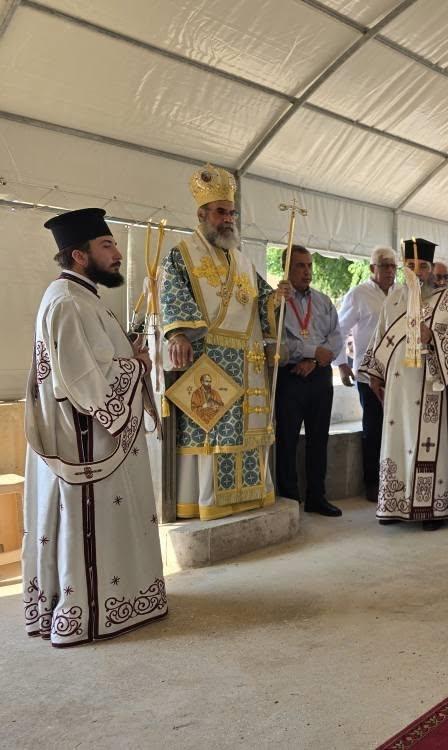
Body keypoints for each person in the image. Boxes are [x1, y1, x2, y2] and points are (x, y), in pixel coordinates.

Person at [23, 208, 166, 646]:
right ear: (79, 255)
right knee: (91, 527)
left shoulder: (82, 296)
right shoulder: (67, 301)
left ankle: (119, 603)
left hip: (93, 439)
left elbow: (94, 358)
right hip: (86, 443)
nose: (117, 253)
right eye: (107, 246)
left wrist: (127, 351)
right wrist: (134, 365)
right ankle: (87, 613)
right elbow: (81, 379)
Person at [160, 164, 289, 521]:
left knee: (246, 431)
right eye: (220, 212)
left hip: (247, 362)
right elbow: (171, 295)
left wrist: (277, 297)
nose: (227, 219)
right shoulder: (182, 253)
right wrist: (179, 334)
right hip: (209, 358)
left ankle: (248, 497)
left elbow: (263, 302)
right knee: (210, 429)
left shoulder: (244, 262)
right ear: (202, 214)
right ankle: (205, 502)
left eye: (231, 212)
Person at [359, 238, 448, 531]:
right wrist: (374, 373)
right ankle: (395, 504)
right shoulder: (394, 299)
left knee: (428, 446)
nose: (417, 272)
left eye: (423, 266)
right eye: (410, 265)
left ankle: (432, 509)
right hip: (399, 390)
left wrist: (431, 338)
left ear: (432, 269)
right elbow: (379, 338)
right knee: (399, 440)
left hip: (433, 386)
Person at [274, 245, 343, 517]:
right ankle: (290, 499)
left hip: (319, 376)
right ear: (286, 269)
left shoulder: (324, 301)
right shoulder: (276, 302)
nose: (307, 272)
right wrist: (311, 352)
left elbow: (335, 338)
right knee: (287, 439)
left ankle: (317, 496)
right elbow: (279, 341)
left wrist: (314, 360)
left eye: (309, 266)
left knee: (318, 439)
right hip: (291, 377)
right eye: (300, 266)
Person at [336, 247, 397, 503]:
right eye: (384, 265)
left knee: (395, 429)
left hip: (397, 374)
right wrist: (341, 364)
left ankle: (394, 480)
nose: (389, 271)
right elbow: (340, 329)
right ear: (372, 268)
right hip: (367, 374)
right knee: (373, 429)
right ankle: (372, 482)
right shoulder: (358, 295)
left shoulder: (402, 293)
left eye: (393, 266)